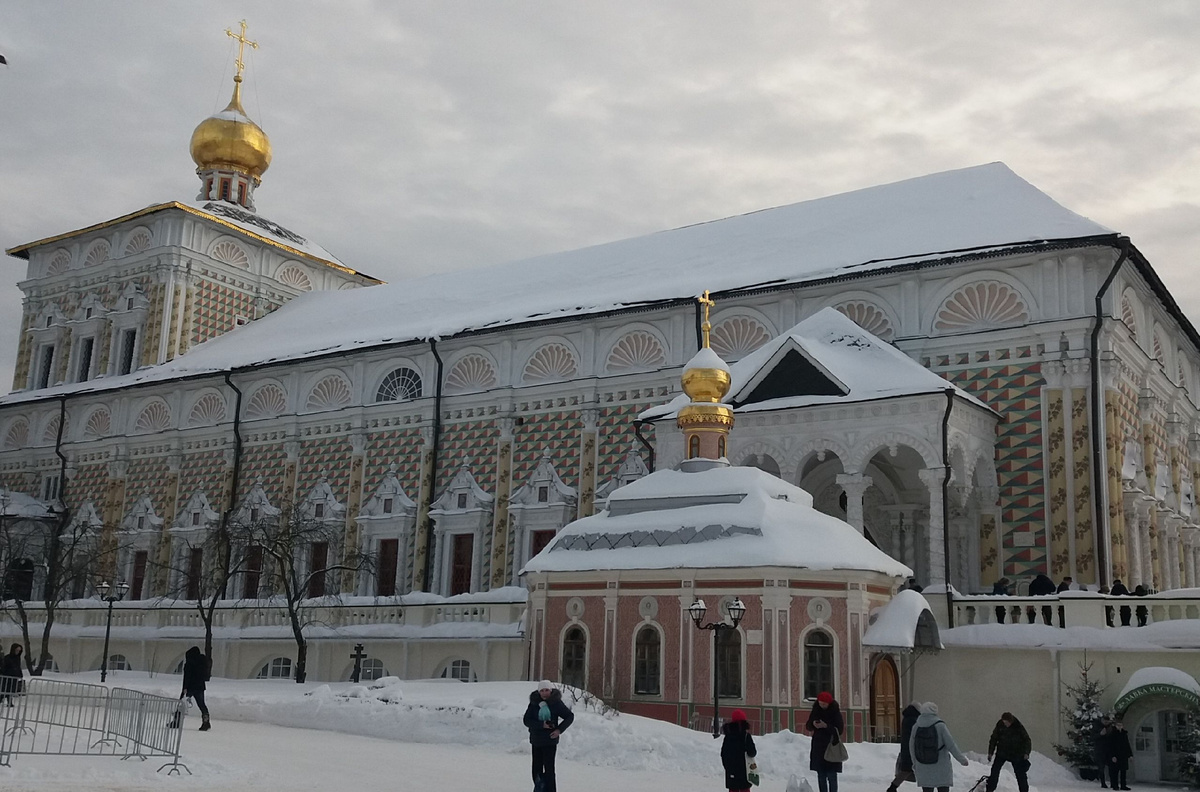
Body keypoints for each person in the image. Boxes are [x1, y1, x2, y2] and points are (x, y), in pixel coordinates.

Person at [523, 679, 574, 792]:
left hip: (550, 741)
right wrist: (542, 725)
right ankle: (539, 788)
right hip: (536, 740)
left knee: (549, 769)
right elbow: (526, 720)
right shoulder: (534, 703)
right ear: (539, 692)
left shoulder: (556, 703)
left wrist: (559, 730)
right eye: (542, 690)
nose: (545, 693)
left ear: (551, 691)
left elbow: (569, 716)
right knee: (536, 768)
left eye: (547, 690)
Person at [910, 702, 969, 792]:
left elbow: (912, 747)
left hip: (923, 766)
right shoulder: (940, 726)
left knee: (927, 789)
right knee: (943, 789)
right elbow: (951, 744)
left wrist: (915, 763)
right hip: (941, 765)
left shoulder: (916, 726)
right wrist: (962, 759)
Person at [805, 691, 844, 792]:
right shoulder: (816, 710)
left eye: (824, 704)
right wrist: (813, 724)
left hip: (831, 745)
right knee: (821, 775)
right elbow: (808, 726)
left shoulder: (835, 711)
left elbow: (839, 729)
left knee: (831, 775)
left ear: (829, 703)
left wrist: (826, 726)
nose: (822, 705)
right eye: (820, 703)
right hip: (818, 746)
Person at [985, 711, 1031, 792]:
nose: (1005, 724)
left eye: (1006, 722)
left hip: (1016, 753)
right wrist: (990, 752)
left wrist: (1026, 752)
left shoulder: (1018, 726)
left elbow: (1027, 740)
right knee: (995, 770)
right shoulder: (1000, 725)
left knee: (1020, 774)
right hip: (1002, 752)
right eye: (1004, 722)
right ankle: (990, 789)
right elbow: (994, 738)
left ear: (1011, 721)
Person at [886, 702, 923, 792]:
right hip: (911, 749)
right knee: (909, 770)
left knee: (906, 770)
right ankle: (892, 788)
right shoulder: (914, 720)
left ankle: (893, 787)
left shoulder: (907, 718)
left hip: (906, 749)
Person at [720, 708, 757, 792]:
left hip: (731, 772)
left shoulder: (728, 737)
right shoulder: (746, 736)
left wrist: (728, 768)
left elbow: (723, 754)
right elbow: (752, 753)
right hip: (744, 773)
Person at [181, 646, 211, 731]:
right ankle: (206, 721)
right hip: (200, 686)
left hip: (190, 686)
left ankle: (177, 720)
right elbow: (205, 675)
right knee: (201, 704)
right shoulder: (203, 662)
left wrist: (185, 688)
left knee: (182, 702)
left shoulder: (189, 663)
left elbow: (187, 677)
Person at [1102, 718, 1133, 791]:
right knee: (1115, 771)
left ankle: (1123, 785)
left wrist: (1130, 755)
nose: (1119, 726)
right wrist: (1112, 756)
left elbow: (1127, 745)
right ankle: (1115, 785)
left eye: (1121, 725)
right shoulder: (1112, 734)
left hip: (1123, 755)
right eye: (1118, 725)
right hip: (1115, 755)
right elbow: (1110, 746)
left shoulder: (1124, 734)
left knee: (1123, 771)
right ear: (1115, 726)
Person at [1093, 715, 1112, 788]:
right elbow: (1093, 737)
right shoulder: (1097, 726)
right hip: (1100, 750)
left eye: (1107, 721)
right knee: (1101, 768)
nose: (1106, 722)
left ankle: (1113, 782)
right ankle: (1103, 783)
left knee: (1112, 767)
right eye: (1105, 721)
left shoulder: (1110, 728)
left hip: (1109, 750)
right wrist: (1100, 734)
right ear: (1102, 720)